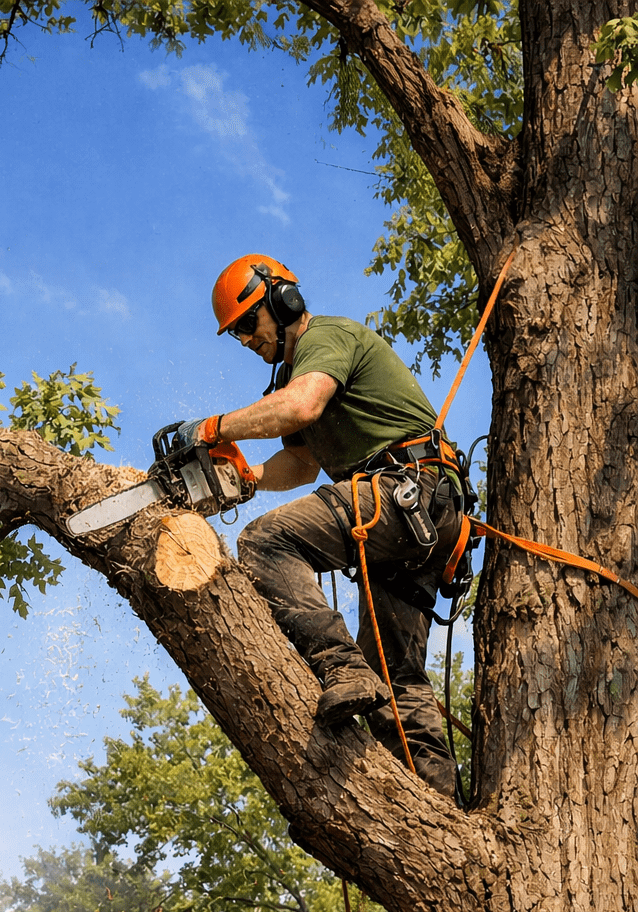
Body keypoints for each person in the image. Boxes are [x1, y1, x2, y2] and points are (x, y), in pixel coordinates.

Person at [166, 253, 467, 796]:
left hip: (408, 494)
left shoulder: (324, 339)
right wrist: (247, 477)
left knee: (264, 540)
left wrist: (213, 428)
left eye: (248, 324)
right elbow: (302, 462)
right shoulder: (294, 372)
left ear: (283, 300)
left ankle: (338, 664)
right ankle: (443, 807)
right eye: (234, 335)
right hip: (412, 520)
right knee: (397, 686)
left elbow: (300, 408)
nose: (246, 341)